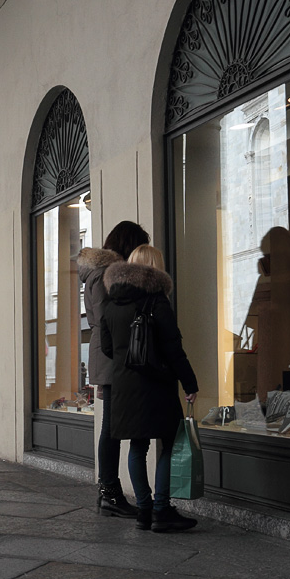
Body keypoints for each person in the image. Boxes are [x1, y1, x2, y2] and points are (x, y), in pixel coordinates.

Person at [100, 244, 199, 532]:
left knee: (137, 446)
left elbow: (108, 348)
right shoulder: (156, 302)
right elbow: (173, 350)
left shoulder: (110, 303)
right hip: (156, 385)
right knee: (169, 442)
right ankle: (161, 509)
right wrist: (189, 383)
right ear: (155, 268)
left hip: (123, 387)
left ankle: (144, 509)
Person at [78, 220, 149, 517]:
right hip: (114, 357)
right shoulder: (108, 274)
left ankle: (109, 492)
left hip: (109, 355)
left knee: (111, 426)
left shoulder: (99, 273)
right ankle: (109, 492)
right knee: (111, 428)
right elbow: (111, 321)